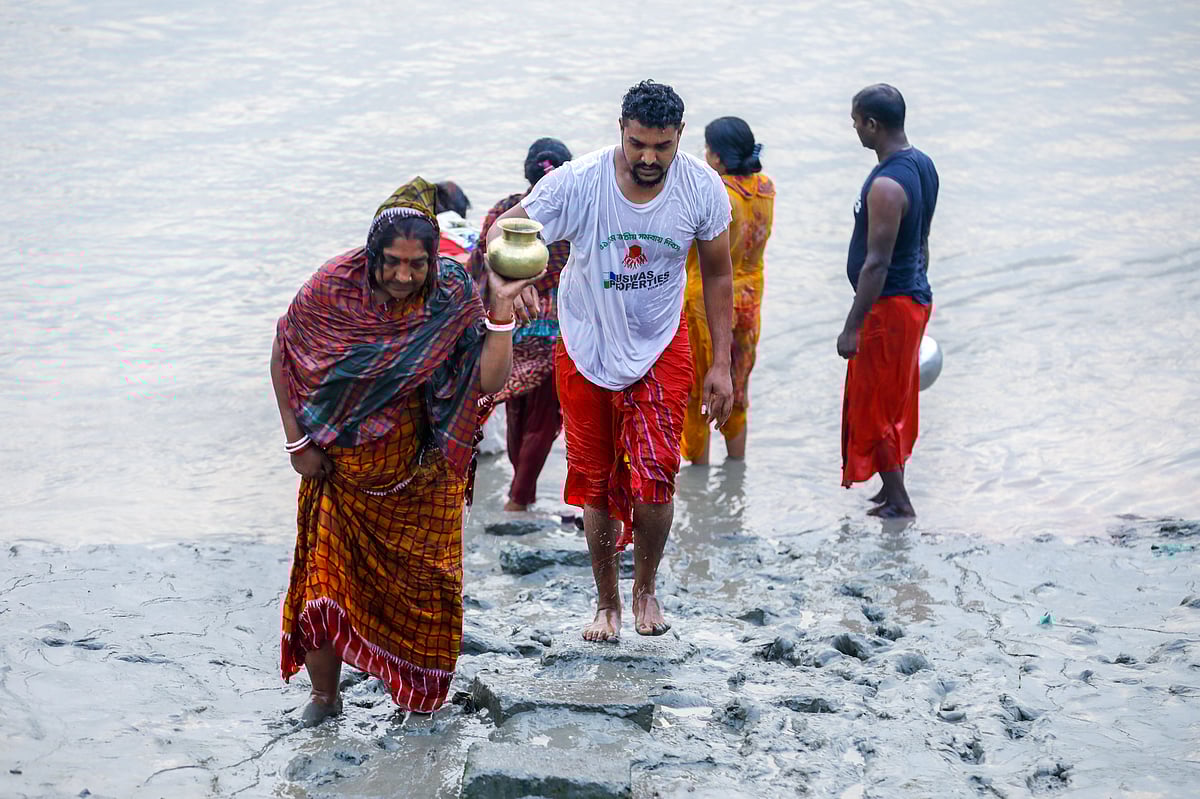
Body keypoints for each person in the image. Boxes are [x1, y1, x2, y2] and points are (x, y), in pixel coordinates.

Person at [270, 177, 541, 726]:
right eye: (391, 261)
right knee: (323, 583)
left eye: (415, 264)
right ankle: (326, 697)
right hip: (340, 472)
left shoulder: (451, 297)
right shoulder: (332, 289)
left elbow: (488, 381)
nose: (402, 275)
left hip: (425, 471)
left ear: (431, 260)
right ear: (373, 254)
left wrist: (501, 312)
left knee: (428, 593)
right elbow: (285, 351)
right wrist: (297, 441)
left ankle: (417, 703)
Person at [489, 80, 735, 641]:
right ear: (620, 130)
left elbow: (720, 273)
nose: (649, 158)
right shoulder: (579, 182)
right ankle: (607, 603)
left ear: (680, 138)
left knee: (656, 476)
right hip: (585, 346)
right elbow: (508, 231)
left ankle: (645, 589)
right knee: (594, 483)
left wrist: (722, 363)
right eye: (638, 143)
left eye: (662, 146)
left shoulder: (702, 187)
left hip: (661, 344)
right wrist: (512, 276)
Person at [836, 84, 939, 518]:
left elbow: (876, 264)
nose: (854, 127)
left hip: (888, 305)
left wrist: (852, 326)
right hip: (911, 297)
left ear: (873, 125)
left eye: (857, 120)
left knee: (875, 402)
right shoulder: (923, 165)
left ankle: (899, 502)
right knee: (891, 396)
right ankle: (887, 489)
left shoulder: (887, 186)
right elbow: (923, 241)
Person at [468, 138, 573, 511]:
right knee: (543, 420)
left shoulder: (503, 211)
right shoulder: (572, 215)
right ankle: (520, 495)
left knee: (516, 409)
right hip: (557, 335)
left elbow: (479, 266)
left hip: (508, 325)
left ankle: (519, 491)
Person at [681, 117, 775, 465]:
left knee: (698, 390)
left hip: (708, 304)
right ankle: (736, 468)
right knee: (736, 385)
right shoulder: (766, 187)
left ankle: (698, 472)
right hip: (750, 299)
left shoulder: (718, 194)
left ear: (717, 158)